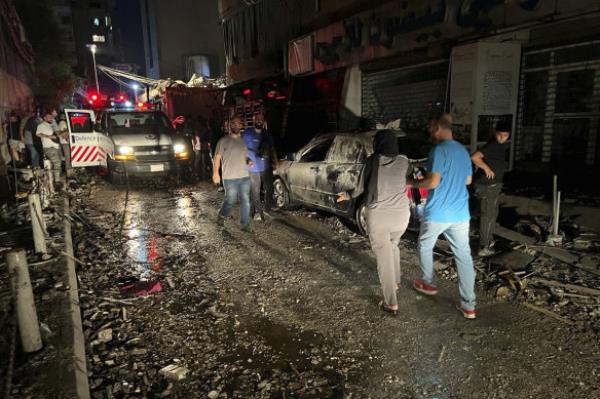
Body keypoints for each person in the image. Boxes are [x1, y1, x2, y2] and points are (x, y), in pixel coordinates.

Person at [407, 113, 477, 319]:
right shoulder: (463, 151)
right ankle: (469, 305)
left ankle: (428, 282)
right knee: (463, 256)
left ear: (437, 127)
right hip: (460, 213)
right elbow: (467, 180)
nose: (428, 131)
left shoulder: (438, 150)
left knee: (425, 245)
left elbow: (432, 183)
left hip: (438, 212)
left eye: (430, 126)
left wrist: (411, 183)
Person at [337, 130, 411, 315]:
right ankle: (396, 281)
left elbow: (360, 188)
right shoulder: (404, 161)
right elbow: (407, 179)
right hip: (402, 216)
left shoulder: (373, 160)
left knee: (383, 257)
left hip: (380, 216)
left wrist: (346, 195)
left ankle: (391, 302)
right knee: (393, 244)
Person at [471, 121, 511, 257]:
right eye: (500, 135)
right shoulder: (493, 144)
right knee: (488, 216)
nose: (502, 138)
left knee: (491, 214)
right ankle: (484, 246)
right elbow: (475, 157)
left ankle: (487, 241)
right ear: (496, 133)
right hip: (489, 186)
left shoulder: (499, 145)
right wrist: (486, 168)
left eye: (505, 136)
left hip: (491, 185)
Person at [213, 115, 254, 231]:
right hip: (230, 178)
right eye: (233, 123)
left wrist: (249, 161)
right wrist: (216, 173)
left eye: (238, 123)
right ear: (230, 125)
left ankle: (244, 224)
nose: (236, 125)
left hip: (244, 177)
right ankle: (221, 215)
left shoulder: (243, 141)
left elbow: (245, 156)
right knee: (230, 200)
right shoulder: (223, 141)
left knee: (245, 200)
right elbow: (217, 158)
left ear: (241, 125)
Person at [242, 113, 277, 221]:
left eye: (261, 119)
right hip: (253, 168)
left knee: (269, 188)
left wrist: (275, 160)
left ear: (264, 121)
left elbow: (271, 148)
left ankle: (267, 209)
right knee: (255, 190)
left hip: (265, 166)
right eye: (257, 119)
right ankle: (257, 212)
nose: (259, 121)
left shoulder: (266, 133)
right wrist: (247, 160)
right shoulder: (247, 133)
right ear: (253, 120)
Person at [36, 109, 62, 188]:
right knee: (57, 163)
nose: (51, 118)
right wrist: (49, 136)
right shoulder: (41, 125)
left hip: (56, 146)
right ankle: (57, 182)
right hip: (49, 147)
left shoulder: (51, 125)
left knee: (56, 163)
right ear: (44, 118)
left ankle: (52, 180)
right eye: (49, 117)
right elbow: (37, 134)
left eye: (51, 117)